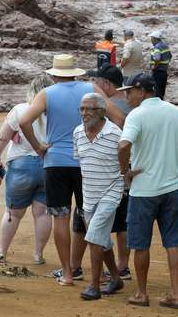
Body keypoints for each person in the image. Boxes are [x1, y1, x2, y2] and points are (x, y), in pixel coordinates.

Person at [117, 73, 178, 310]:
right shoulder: (175, 112)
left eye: (129, 91)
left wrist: (126, 171)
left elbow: (123, 146)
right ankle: (175, 293)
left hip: (143, 190)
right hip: (171, 188)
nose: (127, 95)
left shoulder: (137, 115)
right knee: (173, 242)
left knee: (140, 244)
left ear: (143, 91)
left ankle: (142, 293)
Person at [19, 54, 92, 286]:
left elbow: (24, 122)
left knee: (61, 218)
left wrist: (39, 147)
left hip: (56, 162)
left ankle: (67, 273)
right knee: (84, 216)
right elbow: (118, 117)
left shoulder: (47, 94)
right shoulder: (90, 89)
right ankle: (79, 266)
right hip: (85, 162)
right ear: (75, 72)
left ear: (52, 75)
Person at [0, 76, 53, 266]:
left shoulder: (20, 110)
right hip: (49, 165)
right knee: (42, 213)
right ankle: (38, 254)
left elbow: (3, 137)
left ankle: (2, 252)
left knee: (13, 213)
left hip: (21, 165)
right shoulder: (56, 112)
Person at [74, 93, 125, 301]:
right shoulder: (77, 132)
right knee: (101, 239)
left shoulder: (115, 133)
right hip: (89, 195)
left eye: (89, 109)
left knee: (94, 236)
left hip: (111, 192)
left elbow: (127, 157)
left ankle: (94, 285)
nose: (84, 113)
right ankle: (115, 277)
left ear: (102, 112)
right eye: (82, 109)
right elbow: (81, 162)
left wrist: (125, 179)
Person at [91, 64, 132, 279]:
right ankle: (123, 265)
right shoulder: (131, 103)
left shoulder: (109, 107)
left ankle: (116, 268)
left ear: (106, 84)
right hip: (129, 165)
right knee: (123, 218)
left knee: (105, 218)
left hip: (110, 168)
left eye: (97, 83)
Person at [148, 31, 171, 100]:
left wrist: (154, 67)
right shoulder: (165, 46)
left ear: (155, 39)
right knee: (161, 92)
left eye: (151, 38)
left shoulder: (157, 47)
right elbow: (170, 56)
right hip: (164, 72)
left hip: (157, 72)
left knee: (157, 92)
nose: (151, 40)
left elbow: (157, 59)